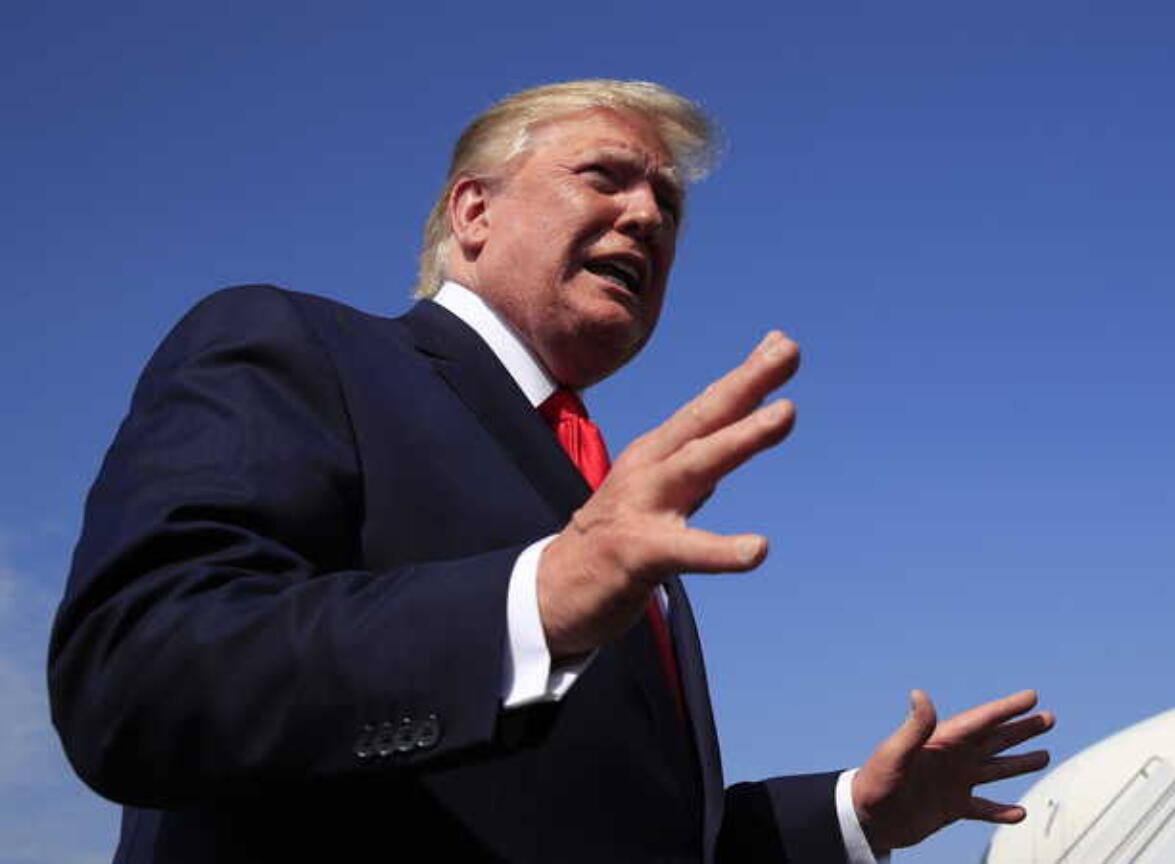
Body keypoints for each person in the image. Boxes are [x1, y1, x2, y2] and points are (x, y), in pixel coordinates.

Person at [49, 79, 1053, 864]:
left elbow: (626, 837)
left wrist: (853, 815)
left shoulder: (608, 506)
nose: (649, 215)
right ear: (473, 210)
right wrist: (535, 602)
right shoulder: (298, 348)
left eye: (665, 199)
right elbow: (138, 678)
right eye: (606, 177)